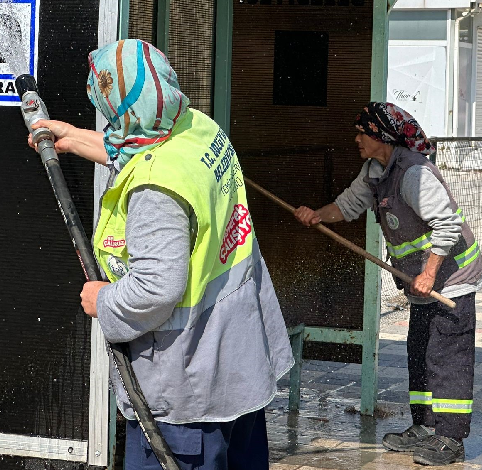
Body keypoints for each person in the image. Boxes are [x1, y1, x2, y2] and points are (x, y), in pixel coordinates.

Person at [28, 39, 294, 469]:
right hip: (238, 362)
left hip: (189, 386)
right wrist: (74, 138)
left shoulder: (155, 191)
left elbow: (155, 290)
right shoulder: (196, 128)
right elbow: (142, 150)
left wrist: (104, 300)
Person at [294, 102, 481, 466]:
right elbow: (347, 206)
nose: (356, 139)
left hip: (451, 278)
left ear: (381, 135)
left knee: (447, 359)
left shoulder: (414, 174)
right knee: (420, 353)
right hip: (423, 281)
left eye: (362, 132)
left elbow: (448, 226)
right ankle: (425, 427)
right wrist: (317, 215)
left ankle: (451, 438)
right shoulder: (374, 171)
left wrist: (428, 274)